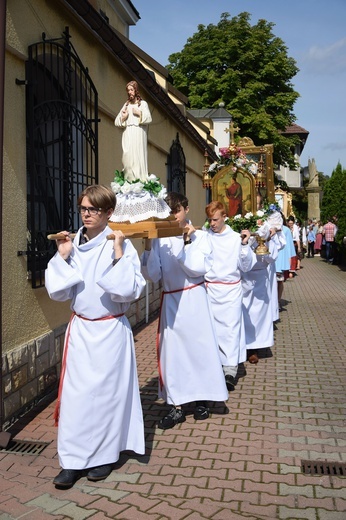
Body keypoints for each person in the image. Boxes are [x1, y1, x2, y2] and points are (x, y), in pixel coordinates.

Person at [45, 185, 146, 489]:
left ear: (109, 213)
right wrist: (62, 258)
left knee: (105, 397)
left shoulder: (121, 244)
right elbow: (58, 292)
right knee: (76, 398)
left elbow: (129, 290)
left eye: (93, 209)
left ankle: (103, 456)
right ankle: (72, 460)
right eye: (83, 208)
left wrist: (117, 255)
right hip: (81, 331)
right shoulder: (72, 244)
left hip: (110, 330)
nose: (86, 214)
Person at [141, 192, 228, 429]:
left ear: (186, 210)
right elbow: (153, 275)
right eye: (168, 212)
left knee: (199, 351)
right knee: (175, 354)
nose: (173, 216)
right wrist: (148, 246)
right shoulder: (160, 238)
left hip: (194, 299)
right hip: (172, 301)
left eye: (176, 211)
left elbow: (197, 269)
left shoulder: (200, 237)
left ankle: (201, 400)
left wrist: (187, 242)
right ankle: (176, 405)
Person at [204, 201, 256, 390]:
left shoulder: (236, 238)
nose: (212, 224)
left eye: (215, 220)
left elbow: (246, 265)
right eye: (210, 220)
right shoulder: (205, 237)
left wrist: (244, 245)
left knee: (230, 329)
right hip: (210, 289)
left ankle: (230, 369)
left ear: (224, 216)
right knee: (213, 329)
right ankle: (215, 364)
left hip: (231, 289)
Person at [114, 80, 152, 182]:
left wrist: (139, 113)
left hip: (138, 133)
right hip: (128, 133)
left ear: (136, 90)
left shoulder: (143, 104)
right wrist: (124, 117)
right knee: (127, 157)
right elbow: (117, 121)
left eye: (131, 89)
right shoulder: (126, 105)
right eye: (128, 90)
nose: (130, 92)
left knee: (138, 157)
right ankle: (128, 180)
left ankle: (139, 180)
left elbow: (149, 118)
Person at [275, 214, 296, 311]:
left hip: (281, 260)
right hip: (271, 259)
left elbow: (289, 247)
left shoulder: (286, 230)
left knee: (279, 282)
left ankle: (278, 301)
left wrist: (289, 263)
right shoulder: (268, 228)